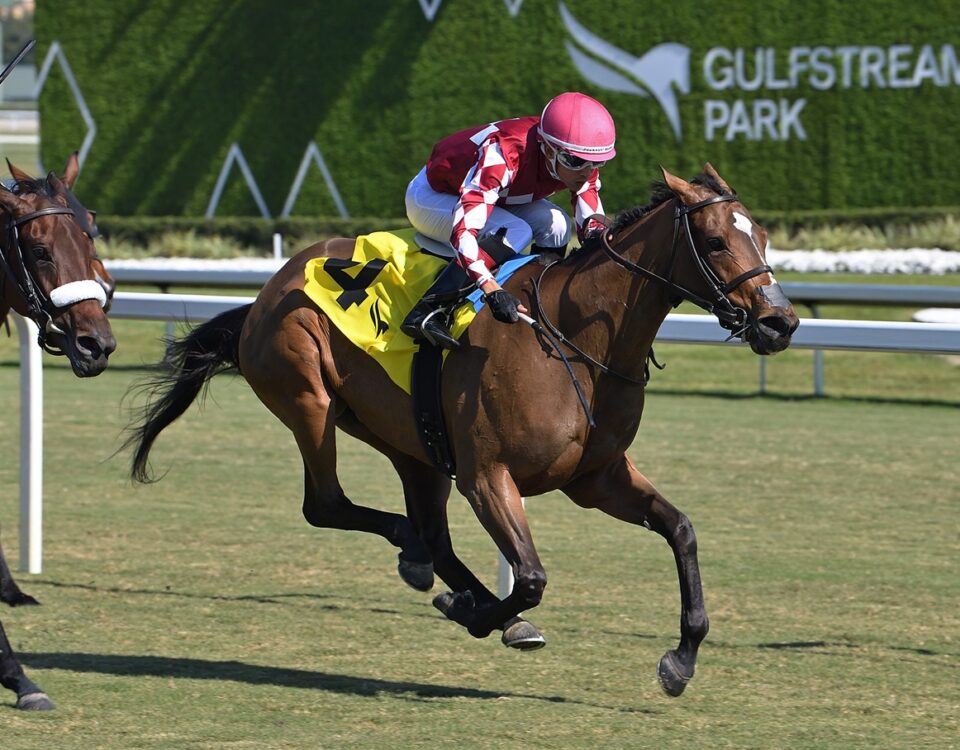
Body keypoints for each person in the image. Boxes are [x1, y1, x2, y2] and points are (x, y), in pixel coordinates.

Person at [401, 91, 616, 348]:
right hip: (434, 195)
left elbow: (591, 224)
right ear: (547, 149)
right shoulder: (502, 154)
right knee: (516, 230)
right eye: (575, 162)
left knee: (559, 224)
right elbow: (464, 232)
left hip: (500, 195)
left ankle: (542, 305)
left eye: (596, 163)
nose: (587, 172)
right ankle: (429, 309)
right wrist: (491, 289)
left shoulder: (575, 154)